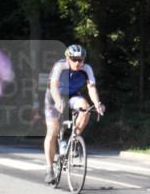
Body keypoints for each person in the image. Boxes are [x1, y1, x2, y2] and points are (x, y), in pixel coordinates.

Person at [44, 44, 105, 184]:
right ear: (68, 58)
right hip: (54, 97)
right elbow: (53, 87)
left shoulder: (86, 69)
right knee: (52, 132)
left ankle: (73, 139)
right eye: (74, 59)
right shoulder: (60, 66)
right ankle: (49, 169)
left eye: (81, 59)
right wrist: (58, 102)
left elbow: (91, 87)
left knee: (86, 108)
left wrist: (97, 104)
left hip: (72, 96)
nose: (78, 63)